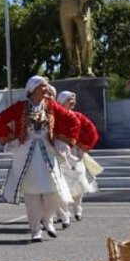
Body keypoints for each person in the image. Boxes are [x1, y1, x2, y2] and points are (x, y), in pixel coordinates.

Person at [0, 76, 80, 243]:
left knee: (52, 191)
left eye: (46, 87)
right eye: (43, 86)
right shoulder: (20, 107)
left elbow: (73, 121)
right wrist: (11, 138)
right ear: (32, 89)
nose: (46, 89)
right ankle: (35, 230)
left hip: (48, 152)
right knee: (31, 194)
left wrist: (63, 140)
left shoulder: (52, 106)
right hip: (26, 154)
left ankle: (48, 221)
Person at [55, 91, 101, 223]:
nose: (72, 101)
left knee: (78, 181)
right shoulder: (55, 117)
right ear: (62, 101)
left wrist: (84, 145)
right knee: (60, 183)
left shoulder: (78, 116)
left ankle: (78, 207)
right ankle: (62, 212)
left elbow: (91, 129)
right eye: (69, 99)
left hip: (74, 152)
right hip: (59, 152)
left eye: (73, 99)